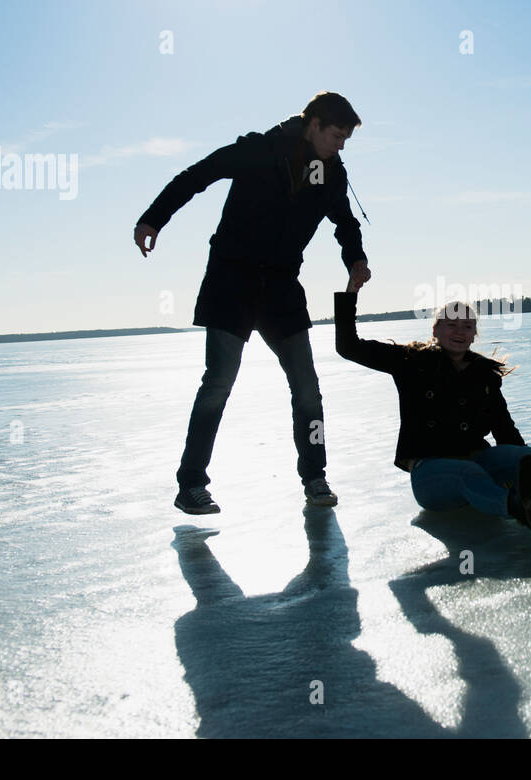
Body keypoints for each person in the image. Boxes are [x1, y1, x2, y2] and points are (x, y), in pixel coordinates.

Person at [134, 92, 372, 514]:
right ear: (313, 124)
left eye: (345, 140)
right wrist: (154, 217)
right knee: (218, 384)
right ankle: (190, 484)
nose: (340, 146)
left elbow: (344, 220)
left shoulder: (329, 172)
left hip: (282, 287)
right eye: (336, 136)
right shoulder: (258, 151)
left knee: (308, 390)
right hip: (233, 281)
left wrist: (355, 258)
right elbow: (198, 175)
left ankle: (315, 477)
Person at [332, 281, 531, 532]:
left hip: (480, 460)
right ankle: (518, 508)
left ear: (474, 334)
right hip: (431, 474)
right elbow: (348, 347)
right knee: (466, 472)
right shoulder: (411, 361)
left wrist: (526, 470)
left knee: (525, 456)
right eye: (450, 324)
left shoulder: (484, 375)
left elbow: (504, 429)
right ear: (435, 330)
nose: (459, 331)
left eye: (467, 326)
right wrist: (351, 290)